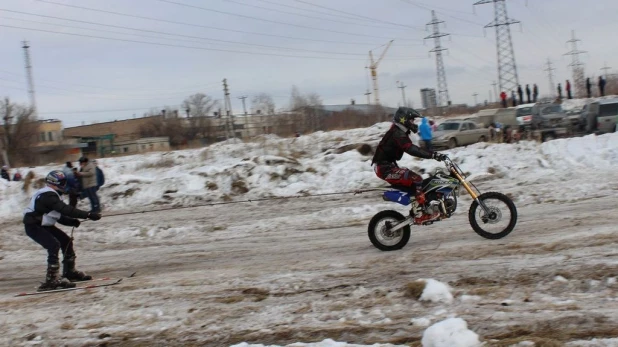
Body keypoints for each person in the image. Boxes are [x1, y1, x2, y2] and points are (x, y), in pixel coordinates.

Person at [23, 170, 101, 291]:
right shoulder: (48, 195)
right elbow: (65, 209)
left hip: (43, 224)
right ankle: (51, 279)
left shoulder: (52, 195)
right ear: (55, 183)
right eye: (63, 183)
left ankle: (69, 271)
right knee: (53, 245)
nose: (65, 185)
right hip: (33, 225)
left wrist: (72, 221)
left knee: (66, 241)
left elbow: (58, 215)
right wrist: (89, 214)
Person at [371, 107, 447, 225]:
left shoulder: (399, 132)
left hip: (388, 166)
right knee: (415, 179)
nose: (413, 123)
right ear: (404, 120)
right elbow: (410, 148)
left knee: (417, 182)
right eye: (411, 120)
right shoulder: (397, 133)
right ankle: (420, 215)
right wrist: (432, 155)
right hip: (384, 168)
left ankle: (422, 208)